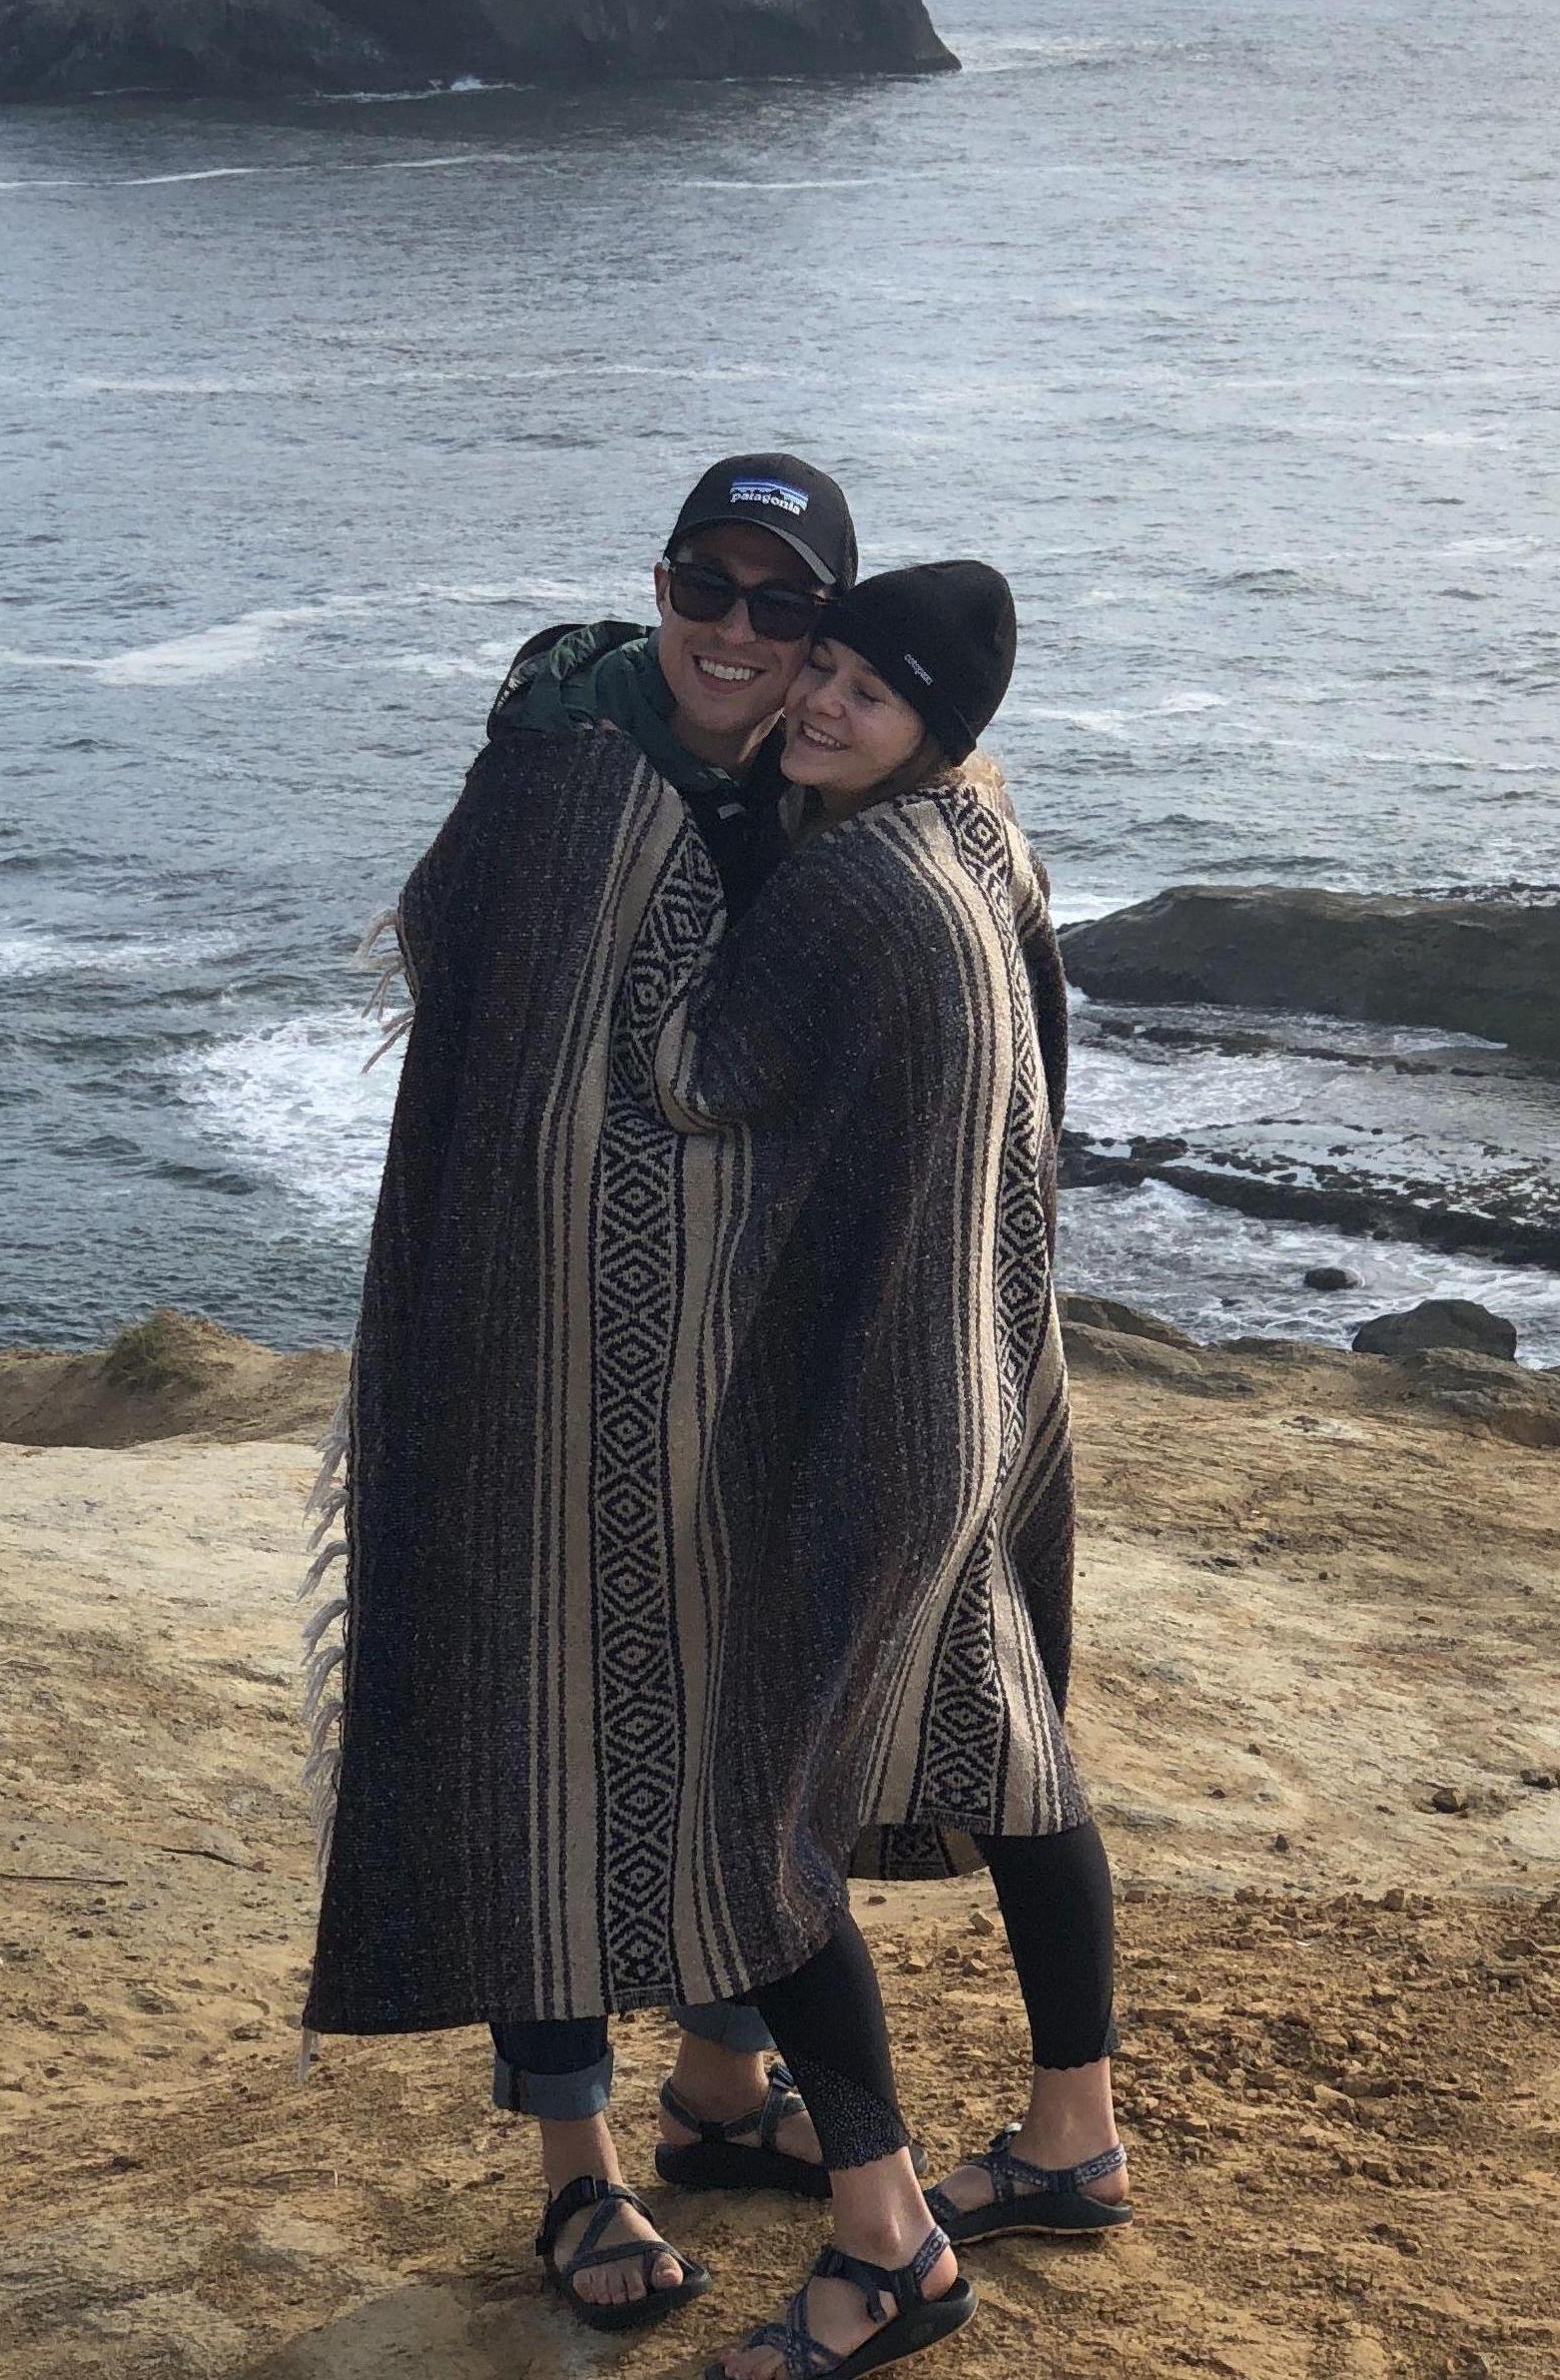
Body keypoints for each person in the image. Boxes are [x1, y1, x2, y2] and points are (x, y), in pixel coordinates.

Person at [300, 454, 859, 2333]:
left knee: (734, 1705)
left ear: (823, 638)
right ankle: (578, 2172)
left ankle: (719, 2082)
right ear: (663, 581)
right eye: (711, 583)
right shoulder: (563, 761)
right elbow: (500, 1018)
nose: (737, 629)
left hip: (728, 1339)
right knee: (540, 1713)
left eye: (784, 607)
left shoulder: (821, 800)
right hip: (525, 1333)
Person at [645, 564, 1127, 2380]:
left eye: (865, 687)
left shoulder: (849, 883)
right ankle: (1072, 2137)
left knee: (745, 1819)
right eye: (820, 667)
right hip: (990, 1374)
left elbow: (690, 1078)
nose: (820, 700)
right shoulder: (975, 840)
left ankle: (890, 2242)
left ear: (943, 726)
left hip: (876, 1406)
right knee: (1008, 1746)